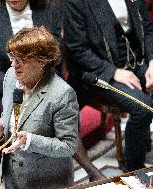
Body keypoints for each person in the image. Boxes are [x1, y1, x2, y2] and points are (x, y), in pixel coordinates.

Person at [0, 26, 79, 189]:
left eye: (22, 59)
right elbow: (10, 116)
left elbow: (68, 146)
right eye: (12, 56)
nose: (14, 64)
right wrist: (2, 129)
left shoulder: (62, 94)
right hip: (13, 178)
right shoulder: (11, 76)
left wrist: (30, 141)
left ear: (42, 61)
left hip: (47, 182)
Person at [63, 0, 153, 172]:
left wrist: (152, 60)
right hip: (98, 72)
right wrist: (113, 72)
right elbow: (78, 50)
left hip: (137, 61)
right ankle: (133, 171)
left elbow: (148, 29)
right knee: (143, 108)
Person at [0, 0, 61, 111]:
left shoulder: (50, 12)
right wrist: (18, 87)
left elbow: (56, 58)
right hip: (12, 97)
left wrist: (40, 86)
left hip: (48, 90)